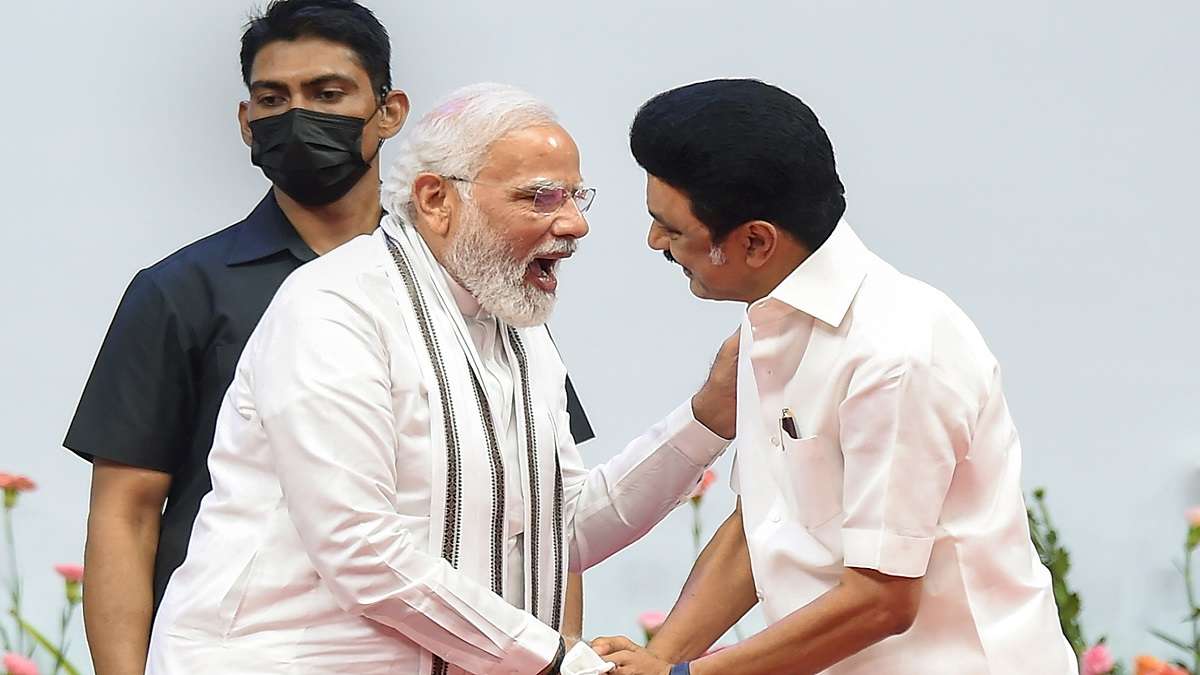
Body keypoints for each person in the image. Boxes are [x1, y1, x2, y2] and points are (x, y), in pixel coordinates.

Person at [62, 3, 594, 673]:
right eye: (272, 98)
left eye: (327, 93)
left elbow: (543, 504)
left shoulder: (478, 282)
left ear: (390, 111)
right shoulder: (180, 291)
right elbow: (126, 512)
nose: (297, 115)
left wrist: (552, 652)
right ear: (245, 121)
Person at [145, 82, 737, 675]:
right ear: (435, 200)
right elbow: (360, 547)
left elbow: (559, 528)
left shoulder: (516, 328)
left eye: (577, 197)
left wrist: (707, 419)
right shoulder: (336, 306)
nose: (576, 224)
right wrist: (555, 661)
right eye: (542, 198)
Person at [592, 78, 1078, 675]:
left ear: (755, 241)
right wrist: (659, 655)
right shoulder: (770, 324)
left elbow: (881, 599)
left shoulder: (895, 353)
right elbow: (763, 527)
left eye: (672, 228)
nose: (654, 242)